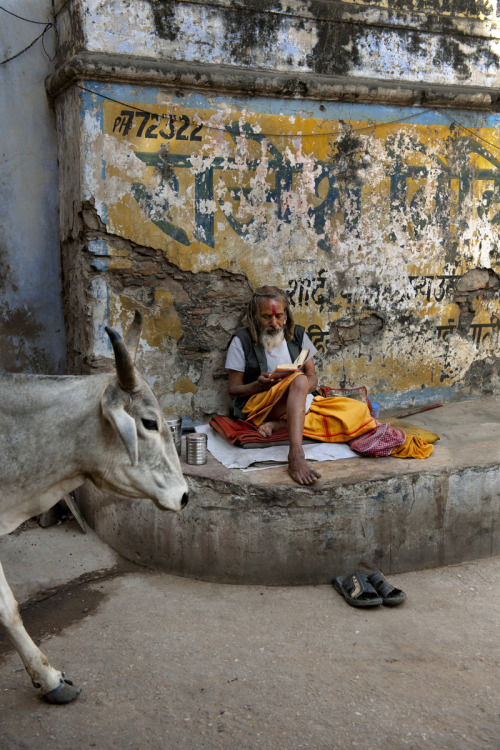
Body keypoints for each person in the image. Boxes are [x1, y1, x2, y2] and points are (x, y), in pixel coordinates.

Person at [225, 285, 433, 486]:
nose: (274, 323)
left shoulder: (297, 335)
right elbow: (233, 390)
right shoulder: (241, 341)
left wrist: (298, 388)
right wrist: (259, 386)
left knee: (358, 409)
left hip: (299, 401)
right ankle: (296, 455)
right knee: (298, 379)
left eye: (279, 316)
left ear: (286, 314)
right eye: (266, 317)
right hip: (261, 405)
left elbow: (312, 378)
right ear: (254, 316)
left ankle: (283, 423)